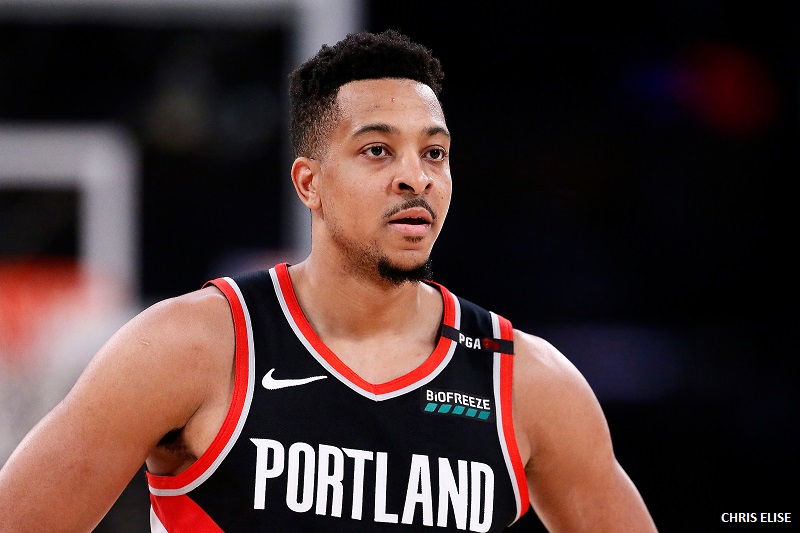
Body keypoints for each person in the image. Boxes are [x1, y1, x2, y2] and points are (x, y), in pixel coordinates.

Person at [0, 29, 658, 532]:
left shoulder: (527, 383)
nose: (415, 177)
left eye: (434, 153)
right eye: (378, 150)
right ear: (309, 183)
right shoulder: (190, 346)